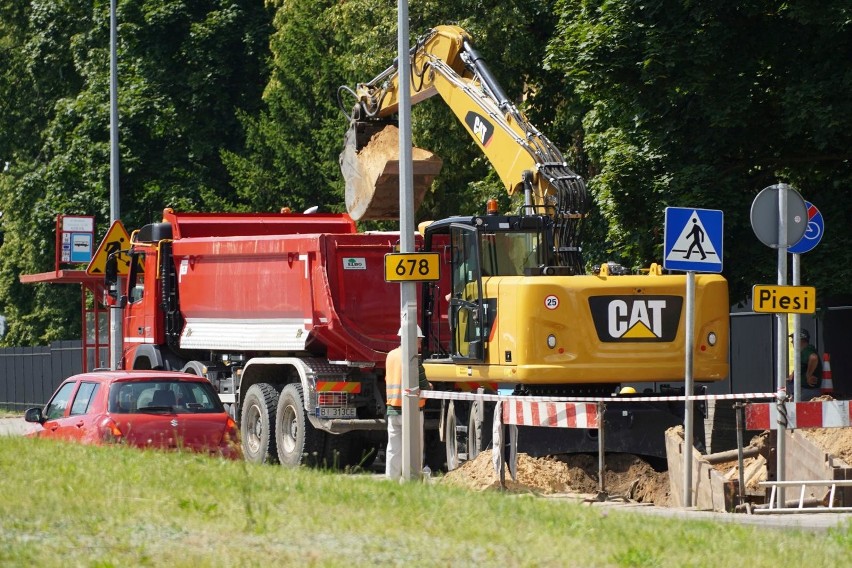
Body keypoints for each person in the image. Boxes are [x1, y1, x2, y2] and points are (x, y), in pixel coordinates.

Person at [385, 325, 432, 481]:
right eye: (418, 341)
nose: (419, 345)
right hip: (411, 411)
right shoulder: (411, 357)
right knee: (414, 449)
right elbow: (423, 384)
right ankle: (411, 479)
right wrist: (429, 386)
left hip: (393, 410)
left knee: (394, 448)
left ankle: (391, 480)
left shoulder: (391, 355)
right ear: (411, 339)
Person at [787, 329, 821, 400]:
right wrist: (793, 374)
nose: (792, 341)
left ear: (800, 340)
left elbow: (813, 358)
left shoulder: (807, 350)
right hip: (804, 392)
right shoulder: (803, 352)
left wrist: (808, 375)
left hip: (806, 392)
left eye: (793, 339)